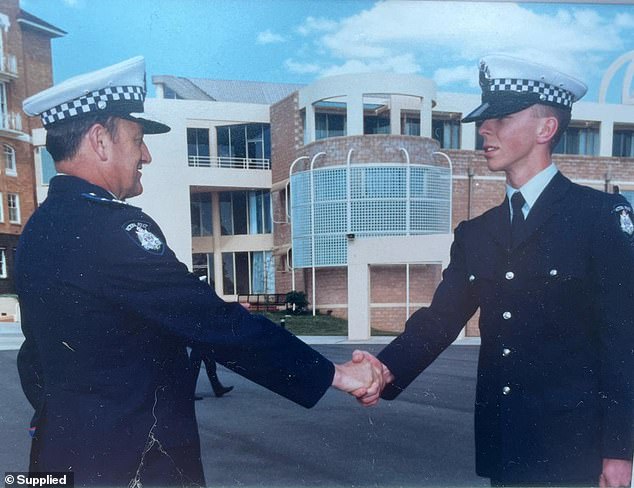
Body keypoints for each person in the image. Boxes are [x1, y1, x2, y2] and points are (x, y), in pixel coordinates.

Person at [15, 56, 382, 487]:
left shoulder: (37, 230)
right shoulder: (112, 228)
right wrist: (336, 374)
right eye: (137, 139)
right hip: (132, 465)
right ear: (100, 141)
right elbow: (212, 324)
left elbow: (42, 357)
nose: (146, 155)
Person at [355, 55, 634, 488]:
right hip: (506, 450)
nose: (485, 130)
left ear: (546, 129)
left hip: (575, 456)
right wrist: (383, 368)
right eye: (485, 121)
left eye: (501, 118)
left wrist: (620, 450)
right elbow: (439, 321)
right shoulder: (477, 233)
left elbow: (623, 341)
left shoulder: (598, 218)